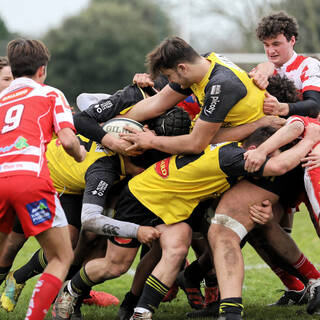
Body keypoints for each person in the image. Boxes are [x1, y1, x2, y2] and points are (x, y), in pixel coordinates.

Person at [51, 124, 318, 320]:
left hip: (174, 206)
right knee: (115, 266)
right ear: (253, 150)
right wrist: (310, 140)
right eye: (271, 151)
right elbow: (279, 167)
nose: (271, 157)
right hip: (142, 198)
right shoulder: (234, 158)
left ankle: (141, 312)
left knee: (177, 249)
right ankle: (71, 291)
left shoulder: (232, 152)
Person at [0, 38, 87, 320]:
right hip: (29, 182)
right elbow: (68, 139)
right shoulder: (50, 94)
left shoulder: (0, 100)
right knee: (62, 257)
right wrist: (80, 154)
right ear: (42, 70)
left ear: (12, 70)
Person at [91, 36, 268, 155]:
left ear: (182, 68)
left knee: (156, 179)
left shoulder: (220, 85)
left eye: (168, 76)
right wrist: (108, 123)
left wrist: (151, 141)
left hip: (254, 144)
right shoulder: (204, 63)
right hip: (228, 137)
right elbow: (157, 103)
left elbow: (196, 144)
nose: (169, 81)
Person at [250, 11, 320, 118]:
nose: (270, 51)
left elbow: (314, 106)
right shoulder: (259, 72)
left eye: (276, 44)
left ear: (292, 40)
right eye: (266, 45)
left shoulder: (308, 65)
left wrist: (281, 108)